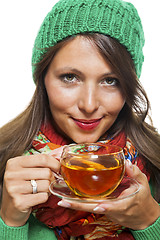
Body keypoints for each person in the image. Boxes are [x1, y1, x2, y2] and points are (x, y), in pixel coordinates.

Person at [0, 0, 160, 239]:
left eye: (110, 80)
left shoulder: (154, 161)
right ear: (42, 77)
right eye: (70, 77)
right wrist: (9, 223)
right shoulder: (5, 160)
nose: (88, 104)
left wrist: (151, 221)